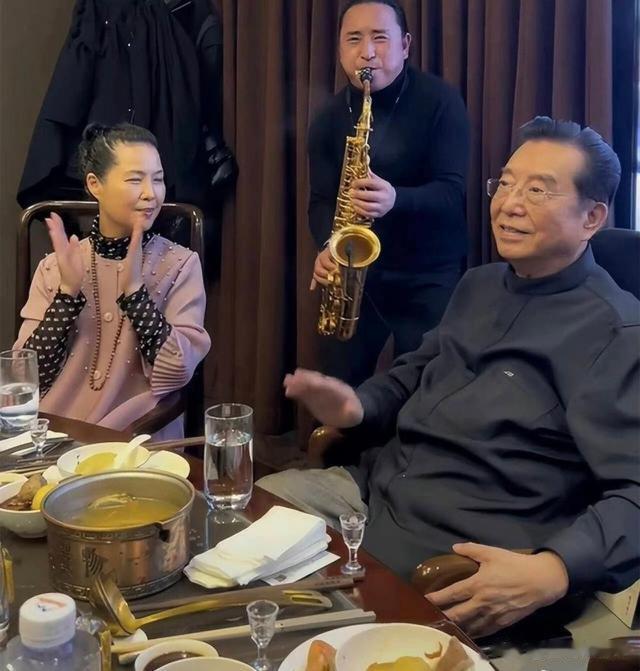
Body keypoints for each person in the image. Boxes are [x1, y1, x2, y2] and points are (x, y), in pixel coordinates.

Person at [259, 117, 640, 636]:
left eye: (537, 190)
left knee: (293, 632)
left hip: (453, 548)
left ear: (592, 216)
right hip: (372, 493)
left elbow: (634, 492)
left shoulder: (616, 333)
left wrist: (555, 569)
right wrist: (357, 405)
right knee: (238, 525)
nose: (509, 204)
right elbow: (414, 372)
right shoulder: (478, 285)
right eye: (505, 183)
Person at [14, 123, 211, 439]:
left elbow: (178, 372)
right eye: (135, 179)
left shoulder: (180, 265)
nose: (151, 193)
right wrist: (67, 293)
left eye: (158, 179)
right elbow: (27, 378)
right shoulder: (55, 267)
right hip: (55, 436)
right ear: (95, 184)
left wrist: (135, 294)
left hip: (136, 441)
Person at [309, 0, 469, 385]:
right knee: (339, 385)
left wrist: (397, 198)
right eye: (354, 39)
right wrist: (329, 246)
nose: (367, 52)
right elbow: (320, 201)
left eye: (379, 38)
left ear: (406, 45)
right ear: (339, 49)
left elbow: (452, 194)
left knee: (423, 391)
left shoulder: (440, 102)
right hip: (358, 274)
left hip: (428, 274)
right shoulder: (328, 118)